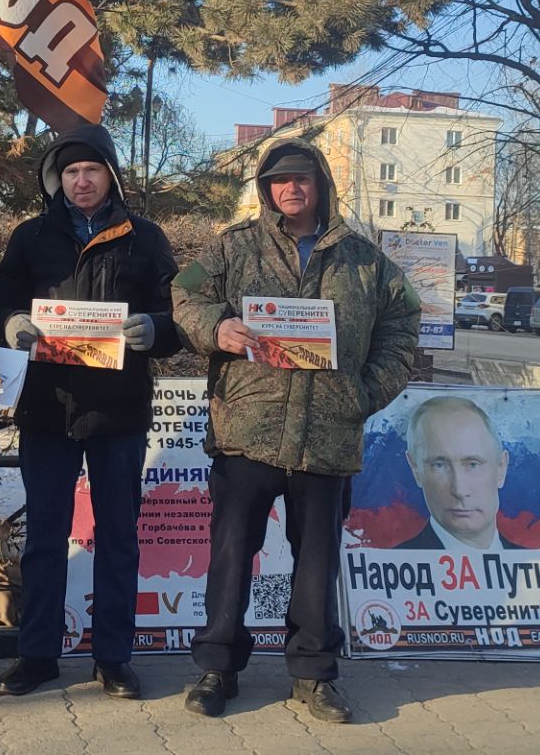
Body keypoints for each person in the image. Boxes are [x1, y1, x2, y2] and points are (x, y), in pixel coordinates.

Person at [171, 139, 421, 723]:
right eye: (278, 181)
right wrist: (217, 327)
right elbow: (184, 293)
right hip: (247, 429)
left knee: (316, 562)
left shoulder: (365, 259)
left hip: (327, 433)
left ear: (321, 185)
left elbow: (404, 321)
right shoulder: (232, 247)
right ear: (265, 190)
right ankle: (218, 669)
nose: (291, 189)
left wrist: (366, 392)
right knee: (233, 555)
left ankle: (313, 675)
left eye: (302, 179)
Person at [0, 124, 181, 700]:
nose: (81, 180)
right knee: (45, 538)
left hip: (117, 411)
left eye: (90, 170)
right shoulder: (30, 237)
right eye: (69, 172)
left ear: (110, 176)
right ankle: (37, 654)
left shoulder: (144, 238)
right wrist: (11, 324)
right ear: (56, 181)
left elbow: (177, 312)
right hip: (47, 409)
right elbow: (0, 301)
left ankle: (113, 658)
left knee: (118, 537)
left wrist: (157, 331)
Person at [390, 396, 518, 551]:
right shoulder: (391, 568)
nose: (459, 490)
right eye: (439, 465)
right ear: (415, 469)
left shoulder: (533, 564)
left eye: (472, 464)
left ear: (501, 467)